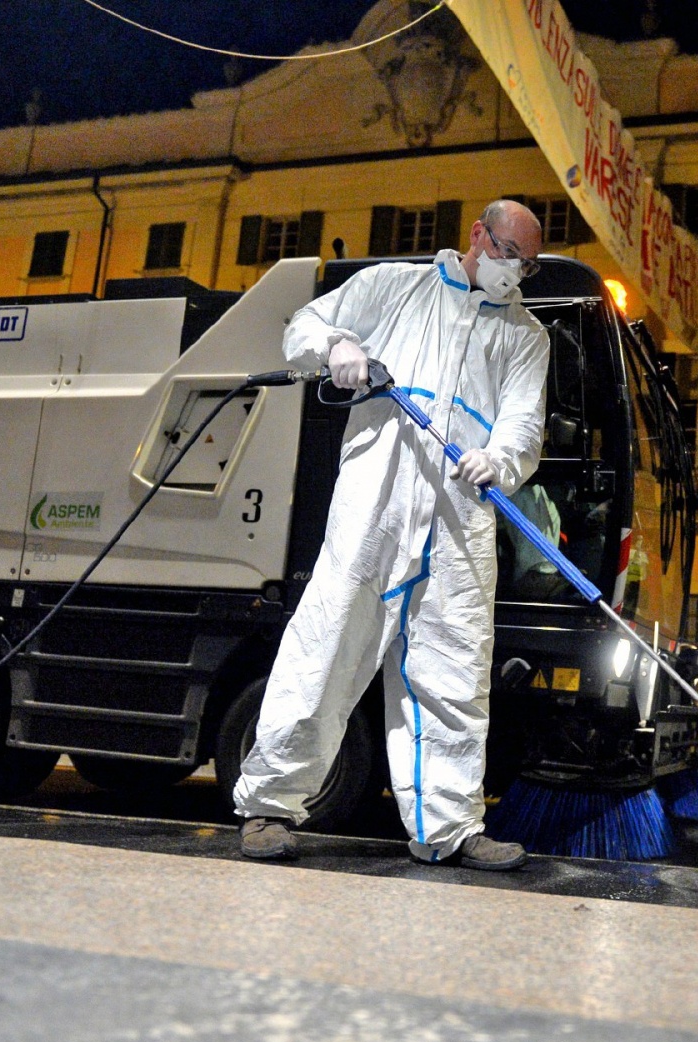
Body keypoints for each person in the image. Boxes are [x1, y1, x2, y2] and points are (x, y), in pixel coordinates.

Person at [233, 200, 550, 871]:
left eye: (525, 264)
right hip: (376, 496)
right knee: (329, 640)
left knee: (455, 667)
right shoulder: (395, 287)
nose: (513, 272)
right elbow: (308, 325)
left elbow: (523, 424)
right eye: (507, 254)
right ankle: (268, 805)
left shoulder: (526, 335)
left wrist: (501, 459)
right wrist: (339, 346)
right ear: (477, 237)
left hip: (461, 513)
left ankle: (450, 829)